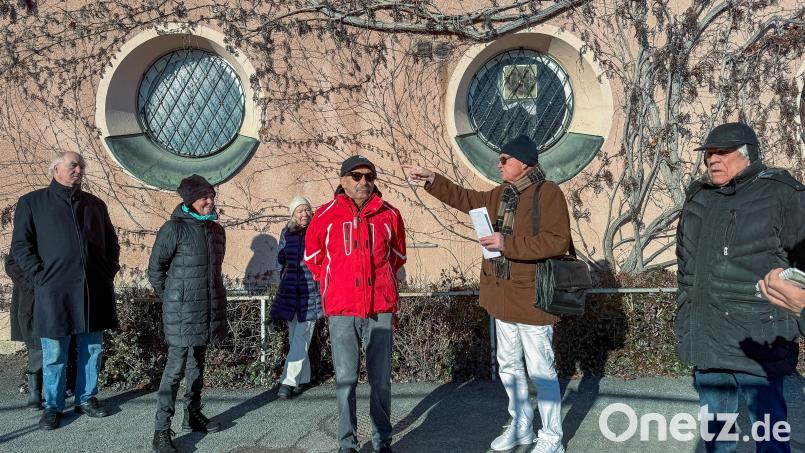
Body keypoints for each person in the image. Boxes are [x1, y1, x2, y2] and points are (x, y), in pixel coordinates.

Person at [404, 135, 569, 453]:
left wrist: (507, 245)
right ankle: (521, 425)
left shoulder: (548, 193)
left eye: (505, 159)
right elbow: (466, 199)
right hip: (501, 295)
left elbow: (556, 241)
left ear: (524, 162)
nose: (500, 163)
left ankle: (551, 437)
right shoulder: (502, 194)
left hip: (533, 298)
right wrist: (433, 181)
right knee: (508, 365)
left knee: (541, 369)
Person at [675, 123, 805, 453]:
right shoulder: (699, 198)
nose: (712, 160)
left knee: (770, 435)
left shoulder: (783, 193)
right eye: (708, 154)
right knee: (718, 437)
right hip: (708, 338)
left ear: (748, 154)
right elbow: (686, 268)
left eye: (723, 153)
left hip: (758, 339)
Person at [10, 151, 120, 430]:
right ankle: (53, 406)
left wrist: (107, 272)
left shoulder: (95, 204)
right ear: (56, 169)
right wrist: (40, 278)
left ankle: (86, 398)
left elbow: (111, 242)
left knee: (92, 347)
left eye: (82, 166)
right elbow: (21, 247)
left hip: (92, 290)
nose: (79, 170)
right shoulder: (32, 203)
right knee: (55, 351)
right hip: (54, 292)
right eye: (74, 165)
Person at [304, 156, 406, 453]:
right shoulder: (324, 216)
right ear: (343, 180)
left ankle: (382, 440)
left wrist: (384, 286)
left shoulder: (390, 215)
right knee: (346, 379)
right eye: (356, 176)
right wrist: (332, 284)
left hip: (379, 308)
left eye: (369, 177)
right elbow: (313, 259)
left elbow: (397, 255)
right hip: (342, 309)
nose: (363, 182)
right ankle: (346, 443)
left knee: (381, 380)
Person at [148, 174, 227, 453]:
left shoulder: (217, 231)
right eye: (204, 197)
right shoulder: (173, 229)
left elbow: (213, 273)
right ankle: (161, 430)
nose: (210, 201)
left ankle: (192, 414)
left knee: (197, 365)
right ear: (190, 201)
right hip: (181, 312)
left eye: (211, 195)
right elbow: (155, 270)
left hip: (206, 310)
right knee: (174, 371)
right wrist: (172, 298)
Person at [271, 196, 324, 399]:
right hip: (290, 290)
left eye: (307, 210)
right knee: (295, 337)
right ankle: (303, 379)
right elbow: (280, 261)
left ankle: (288, 381)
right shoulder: (287, 232)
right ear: (293, 215)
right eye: (300, 211)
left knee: (301, 337)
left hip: (311, 291)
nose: (304, 214)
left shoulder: (317, 229)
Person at [5, 253, 42, 409]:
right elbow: (12, 263)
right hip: (31, 293)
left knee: (59, 338)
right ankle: (35, 390)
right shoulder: (26, 228)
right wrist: (33, 284)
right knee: (35, 343)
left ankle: (59, 384)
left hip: (56, 291)